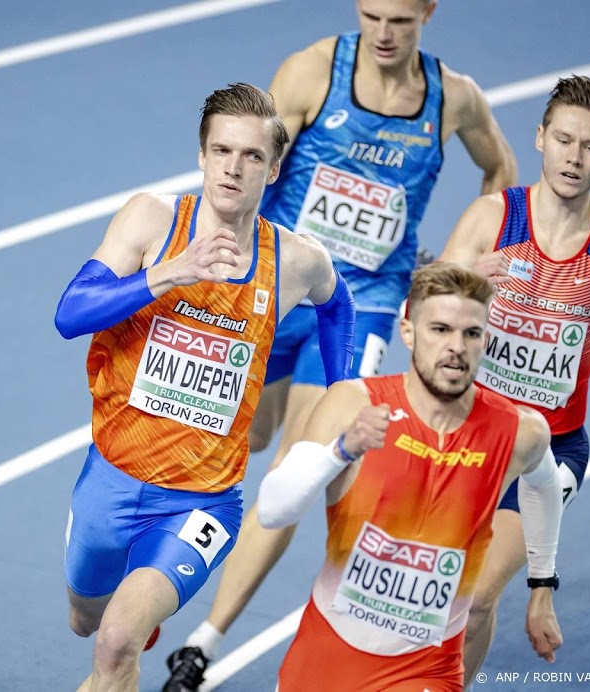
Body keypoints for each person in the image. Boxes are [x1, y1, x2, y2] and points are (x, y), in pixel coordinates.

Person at [164, 1, 517, 687]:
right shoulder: (311, 73)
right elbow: (253, 167)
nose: (383, 34)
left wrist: (448, 272)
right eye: (371, 15)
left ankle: (202, 645)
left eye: (400, 21)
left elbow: (501, 172)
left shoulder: (454, 99)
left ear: (428, 14)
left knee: (297, 461)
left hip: (366, 304)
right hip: (286, 280)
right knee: (256, 432)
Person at [53, 82, 357, 692]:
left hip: (201, 501)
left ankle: (135, 625)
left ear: (273, 169)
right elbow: (69, 314)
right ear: (201, 155)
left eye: (250, 156)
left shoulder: (295, 261)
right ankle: (133, 620)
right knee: (86, 622)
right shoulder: (153, 220)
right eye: (222, 151)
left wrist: (342, 388)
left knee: (114, 645)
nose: (233, 167)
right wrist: (168, 274)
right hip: (111, 478)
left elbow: (337, 304)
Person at [437, 74, 590, 686]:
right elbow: (420, 313)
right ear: (541, 138)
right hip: (465, 436)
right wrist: (463, 277)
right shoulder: (493, 217)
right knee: (444, 600)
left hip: (548, 453)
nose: (575, 158)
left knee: (469, 598)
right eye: (565, 140)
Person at [255, 262, 564, 691]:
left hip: (427, 672)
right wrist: (341, 450)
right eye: (439, 329)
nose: (456, 346)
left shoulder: (519, 433)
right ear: (408, 332)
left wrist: (542, 582)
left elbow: (545, 486)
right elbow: (272, 510)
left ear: (485, 341)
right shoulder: (353, 403)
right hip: (325, 660)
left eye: (471, 334)